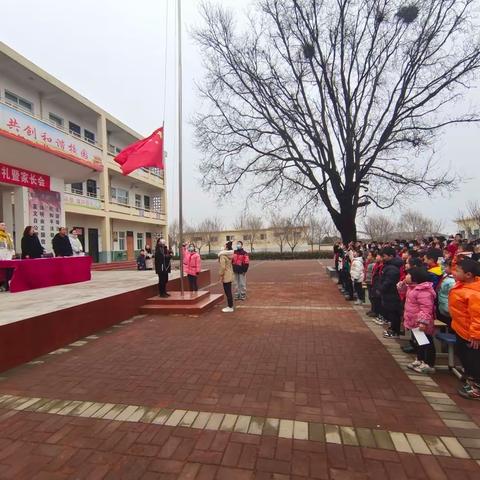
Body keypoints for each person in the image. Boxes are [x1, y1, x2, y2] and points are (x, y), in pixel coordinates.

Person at [449, 258, 480, 400]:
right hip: (460, 329)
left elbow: (477, 316)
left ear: (468, 275)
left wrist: (476, 335)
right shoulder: (461, 286)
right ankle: (471, 380)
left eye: (458, 270)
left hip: (471, 335)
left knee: (473, 360)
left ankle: (477, 387)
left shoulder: (474, 292)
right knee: (462, 355)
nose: (454, 272)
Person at [403, 267, 437, 374]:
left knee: (426, 342)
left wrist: (423, 322)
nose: (406, 276)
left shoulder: (424, 291)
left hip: (422, 323)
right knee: (419, 342)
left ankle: (428, 363)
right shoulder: (412, 287)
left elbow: (426, 308)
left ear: (416, 278)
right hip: (414, 321)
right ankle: (420, 359)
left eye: (408, 275)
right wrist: (401, 285)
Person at [379, 247, 403, 338]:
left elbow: (389, 281)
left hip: (392, 294)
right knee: (392, 313)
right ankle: (393, 329)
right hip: (389, 294)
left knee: (394, 313)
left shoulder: (393, 268)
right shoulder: (389, 266)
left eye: (384, 256)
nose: (382, 258)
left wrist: (381, 288)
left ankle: (395, 331)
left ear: (391, 256)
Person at [436, 259, 455, 326]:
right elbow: (440, 269)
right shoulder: (446, 275)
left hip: (447, 306)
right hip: (442, 303)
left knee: (448, 322)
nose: (444, 268)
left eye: (446, 266)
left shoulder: (452, 282)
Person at [219, 241, 234, 313]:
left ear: (226, 247)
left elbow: (222, 267)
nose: (223, 246)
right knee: (229, 291)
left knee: (227, 292)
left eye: (224, 245)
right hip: (230, 274)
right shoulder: (230, 255)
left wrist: (221, 275)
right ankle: (230, 305)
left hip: (226, 275)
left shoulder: (222, 255)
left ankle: (230, 306)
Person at [0, 221, 15, 292]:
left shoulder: (8, 235)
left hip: (8, 255)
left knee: (9, 270)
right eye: (2, 225)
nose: (4, 226)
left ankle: (8, 284)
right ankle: (4, 285)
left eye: (4, 225)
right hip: (1, 255)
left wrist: (13, 253)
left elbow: (11, 245)